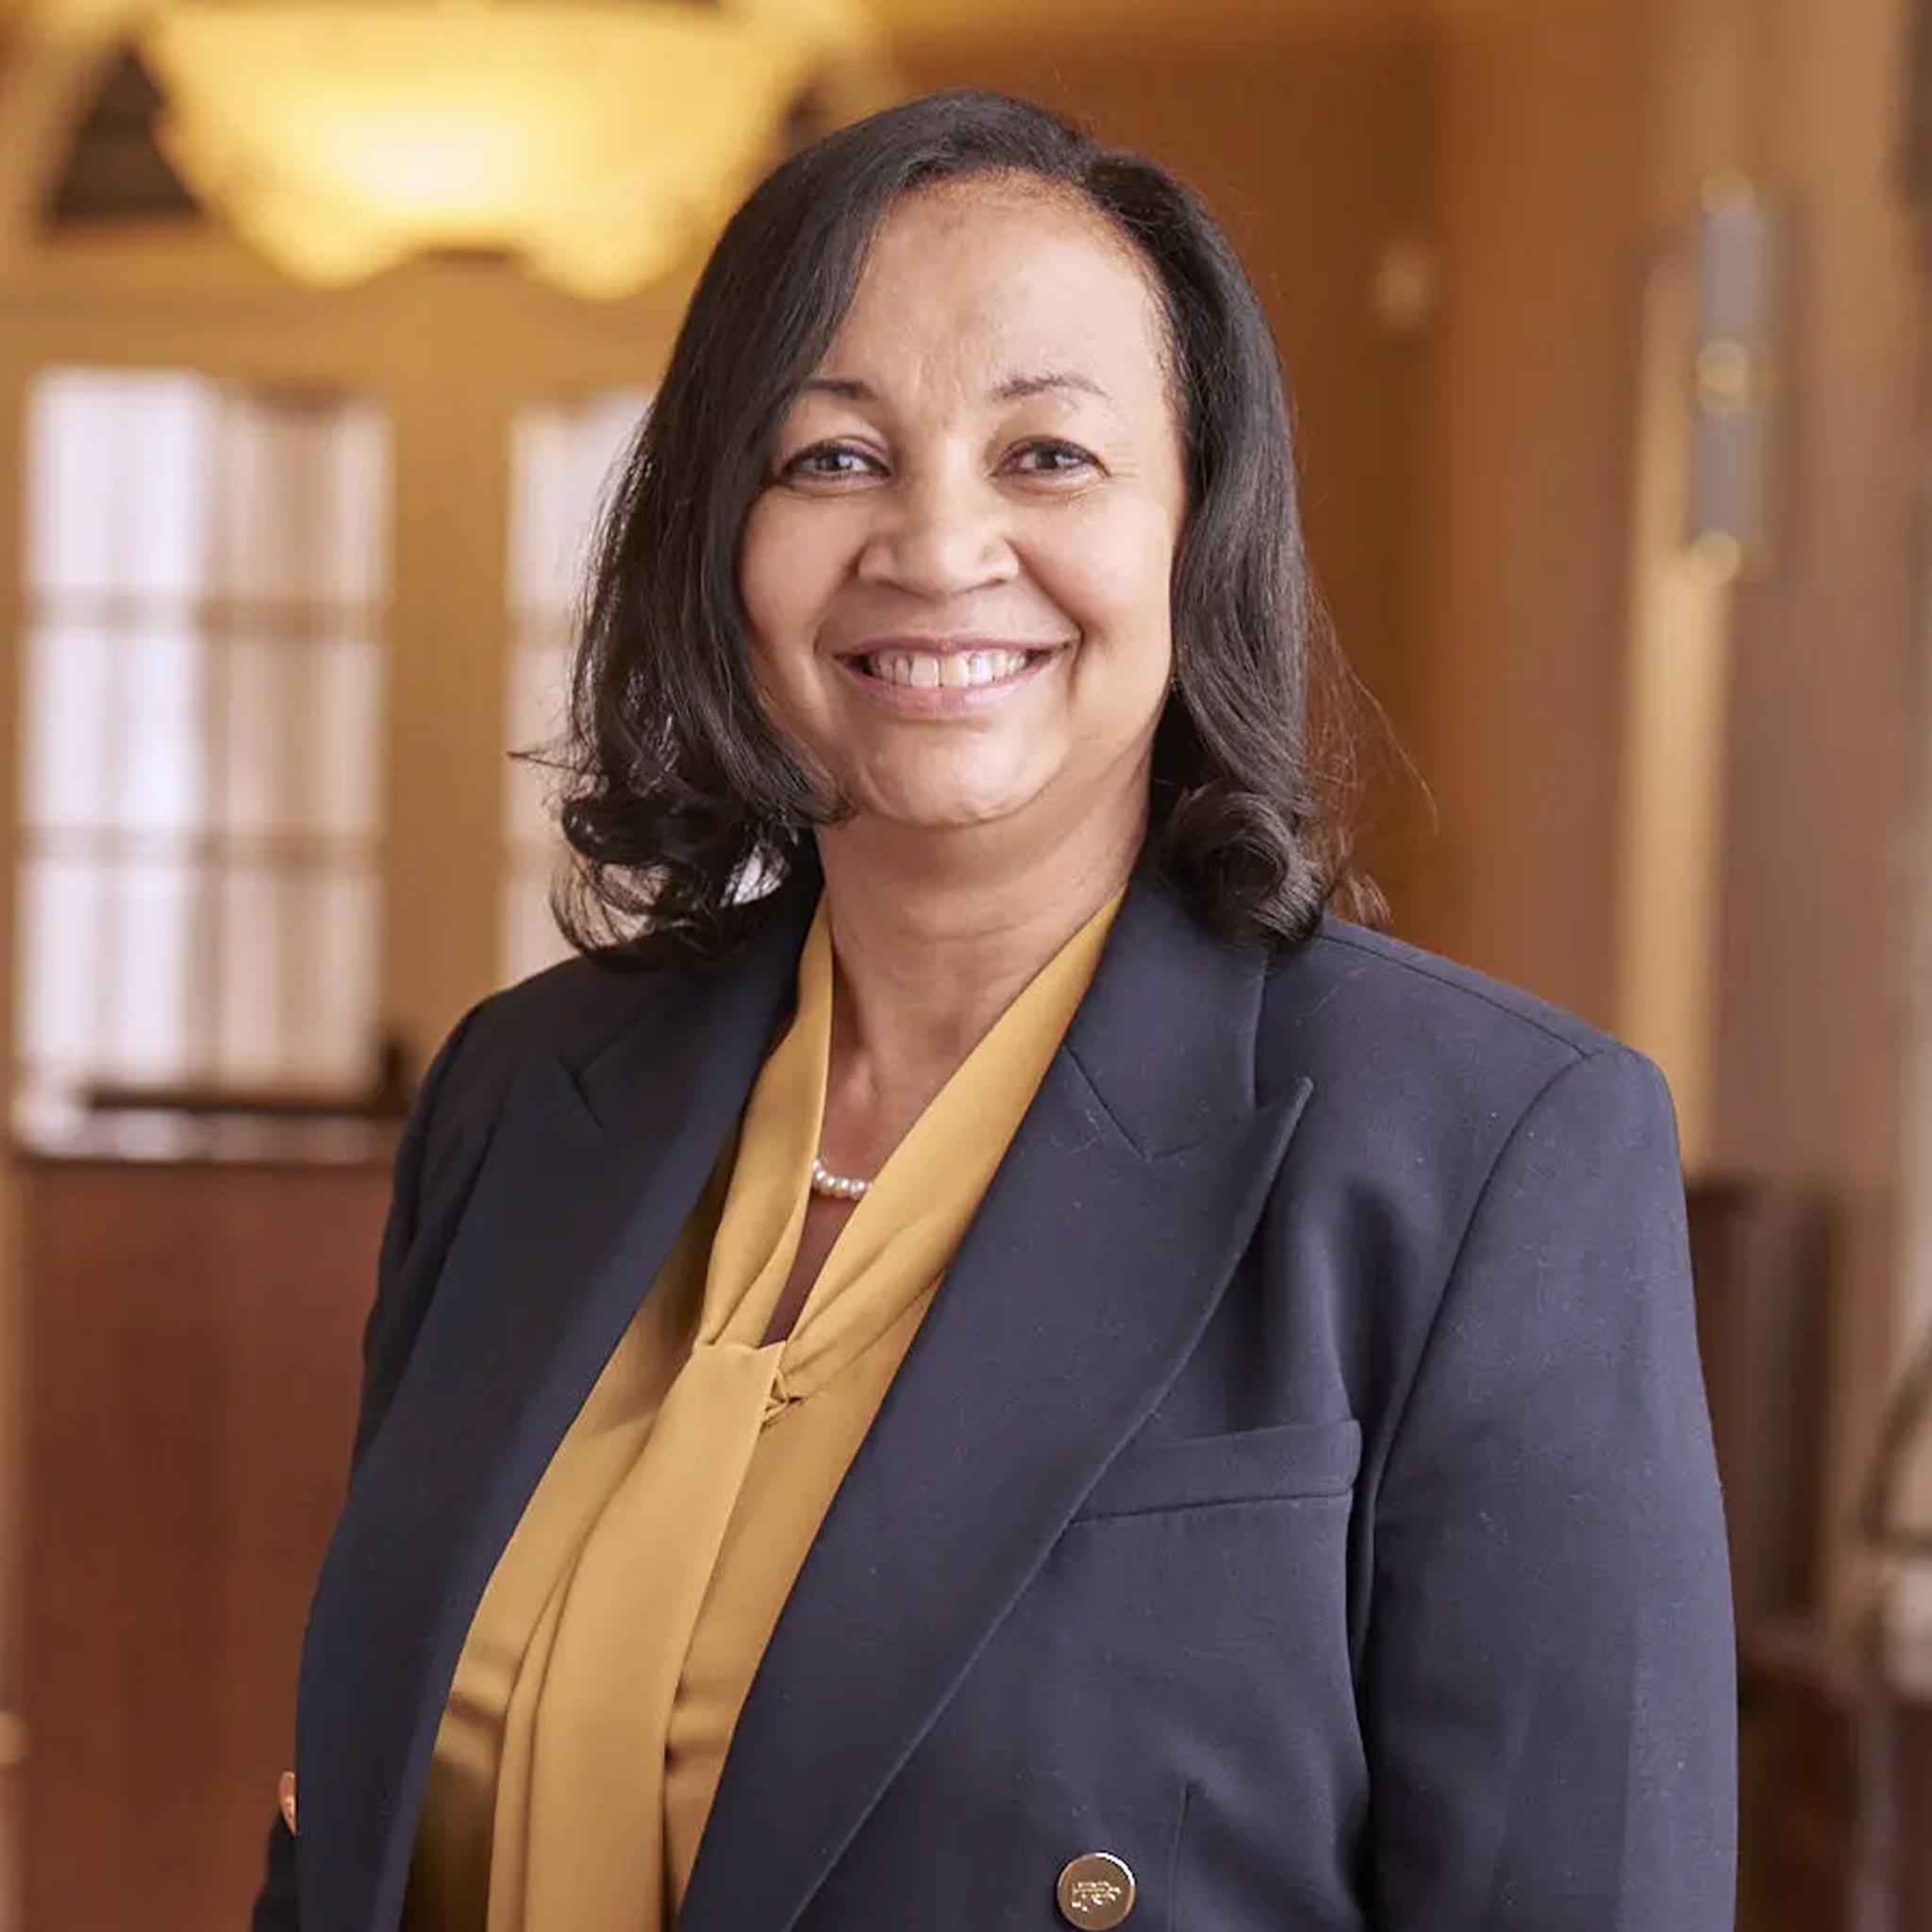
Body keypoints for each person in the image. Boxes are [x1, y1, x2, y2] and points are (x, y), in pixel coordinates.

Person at [253, 86, 1735, 1932]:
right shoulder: (521, 1092)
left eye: (1046, 456)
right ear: (718, 537)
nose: (937, 547)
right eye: (829, 457)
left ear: (1197, 529)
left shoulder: (1481, 1153)